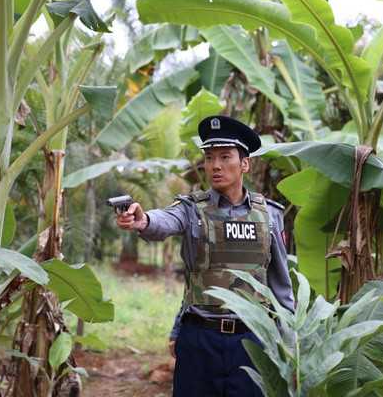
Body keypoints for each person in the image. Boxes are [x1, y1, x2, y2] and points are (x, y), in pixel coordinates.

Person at [116, 115, 294, 397]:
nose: (215, 165)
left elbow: (281, 286)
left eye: (225, 157)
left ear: (244, 164)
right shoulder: (191, 210)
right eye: (210, 158)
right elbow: (164, 221)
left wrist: (289, 343)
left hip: (254, 340)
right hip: (200, 338)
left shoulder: (270, 215)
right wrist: (142, 220)